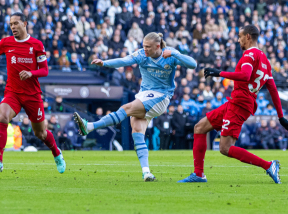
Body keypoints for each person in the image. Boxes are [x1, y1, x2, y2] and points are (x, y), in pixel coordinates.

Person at [73, 32, 197, 181]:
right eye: (143, 46)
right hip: (144, 95)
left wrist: (176, 55)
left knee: (126, 108)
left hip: (161, 97)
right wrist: (105, 63)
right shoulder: (142, 54)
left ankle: (90, 126)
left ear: (158, 46)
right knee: (137, 131)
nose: (144, 49)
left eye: (148, 47)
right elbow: (124, 60)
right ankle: (147, 173)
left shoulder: (170, 54)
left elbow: (193, 64)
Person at [179, 25, 288, 184]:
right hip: (237, 102)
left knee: (225, 148)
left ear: (248, 37)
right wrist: (280, 116)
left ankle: (268, 165)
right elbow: (272, 89)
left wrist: (219, 73)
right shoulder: (265, 60)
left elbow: (244, 76)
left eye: (240, 36)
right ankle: (198, 174)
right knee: (199, 127)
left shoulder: (249, 55)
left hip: (239, 103)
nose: (238, 40)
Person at [0, 12, 65, 174]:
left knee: (40, 133)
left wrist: (31, 73)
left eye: (16, 23)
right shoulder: (5, 43)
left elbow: (45, 70)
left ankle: (56, 153)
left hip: (32, 95)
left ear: (25, 24)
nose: (13, 27)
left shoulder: (36, 44)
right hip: (12, 92)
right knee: (2, 116)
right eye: (11, 24)